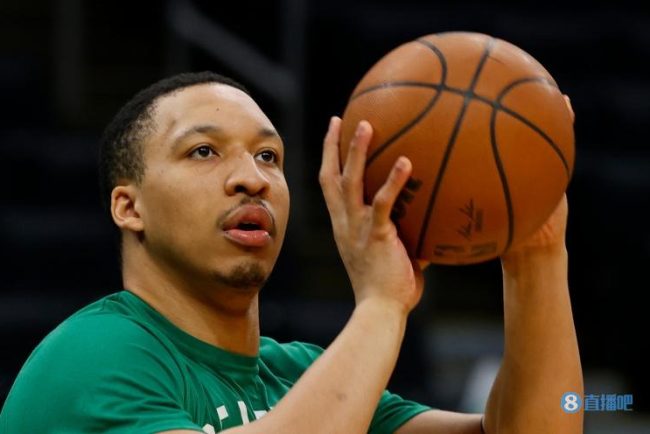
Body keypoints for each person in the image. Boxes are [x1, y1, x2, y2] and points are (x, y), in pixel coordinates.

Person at [0, 71, 583, 434]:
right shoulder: (92, 356)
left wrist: (537, 254)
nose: (252, 179)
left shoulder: (295, 375)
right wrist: (382, 305)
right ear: (129, 207)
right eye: (203, 152)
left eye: (268, 156)